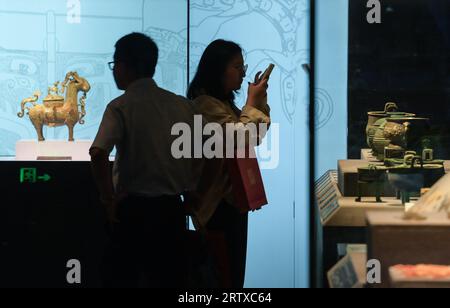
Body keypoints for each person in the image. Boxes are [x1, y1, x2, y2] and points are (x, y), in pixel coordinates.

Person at [90, 32, 198, 288]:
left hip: (133, 212)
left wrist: (108, 199)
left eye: (115, 64)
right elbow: (196, 156)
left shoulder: (121, 106)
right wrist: (192, 193)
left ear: (126, 66)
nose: (114, 70)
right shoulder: (182, 105)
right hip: (172, 211)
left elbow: (98, 152)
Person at [186, 39, 271, 288]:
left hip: (231, 202)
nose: (243, 72)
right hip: (216, 206)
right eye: (237, 66)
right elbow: (240, 138)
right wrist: (252, 103)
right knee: (222, 275)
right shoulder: (205, 105)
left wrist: (258, 102)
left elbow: (255, 135)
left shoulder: (222, 104)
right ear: (217, 70)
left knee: (232, 275)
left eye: (242, 66)